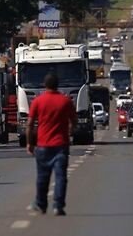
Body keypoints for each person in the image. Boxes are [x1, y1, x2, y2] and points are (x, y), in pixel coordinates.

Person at [26, 73, 76, 216]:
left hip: (43, 145)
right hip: (61, 145)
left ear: (45, 85)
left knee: (42, 177)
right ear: (57, 85)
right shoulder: (65, 101)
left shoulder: (38, 101)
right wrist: (69, 131)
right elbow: (74, 121)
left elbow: (29, 124)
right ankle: (58, 206)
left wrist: (30, 143)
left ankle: (41, 204)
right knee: (61, 176)